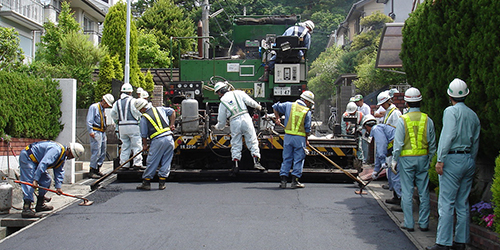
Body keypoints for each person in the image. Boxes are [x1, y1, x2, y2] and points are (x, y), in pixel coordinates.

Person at [426, 79, 480, 250]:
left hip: (452, 159)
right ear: (467, 94)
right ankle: (461, 241)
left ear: (449, 95)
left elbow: (447, 136)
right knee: (462, 203)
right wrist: (471, 159)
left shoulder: (450, 112)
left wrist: (440, 159)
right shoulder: (473, 115)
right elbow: (476, 142)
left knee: (446, 202)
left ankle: (443, 242)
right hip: (468, 160)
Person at [391, 87, 436, 232]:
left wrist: (394, 160)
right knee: (423, 191)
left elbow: (397, 144)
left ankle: (409, 223)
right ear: (420, 101)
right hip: (423, 159)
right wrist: (431, 159)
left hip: (406, 159)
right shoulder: (427, 119)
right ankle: (423, 223)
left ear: (406, 103)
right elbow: (432, 143)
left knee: (407, 191)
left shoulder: (403, 120)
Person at [20, 141, 84, 218]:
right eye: (72, 156)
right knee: (29, 182)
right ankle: (26, 208)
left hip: (37, 162)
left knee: (46, 180)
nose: (71, 158)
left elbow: (59, 171)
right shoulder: (56, 150)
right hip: (28, 157)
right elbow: (44, 163)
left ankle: (40, 204)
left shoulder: (62, 157)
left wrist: (58, 187)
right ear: (70, 152)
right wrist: (36, 180)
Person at [213, 81, 266, 173]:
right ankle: (257, 162)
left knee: (236, 143)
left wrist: (217, 127)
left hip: (234, 121)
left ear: (219, 92)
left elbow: (221, 121)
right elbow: (250, 102)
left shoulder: (223, 102)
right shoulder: (239, 93)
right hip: (246, 118)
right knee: (252, 140)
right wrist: (259, 107)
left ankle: (236, 166)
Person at [273, 90, 314, 189]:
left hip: (288, 137)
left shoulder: (289, 105)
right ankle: (295, 181)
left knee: (286, 158)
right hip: (299, 139)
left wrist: (277, 118)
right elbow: (307, 128)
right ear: (307, 101)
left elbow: (275, 106)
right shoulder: (306, 111)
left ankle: (283, 180)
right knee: (298, 159)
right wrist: (306, 139)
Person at [362, 114, 402, 209]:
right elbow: (378, 152)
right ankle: (396, 197)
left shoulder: (376, 129)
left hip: (398, 153)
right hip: (394, 152)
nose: (366, 131)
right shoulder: (380, 128)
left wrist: (383, 161)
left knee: (396, 176)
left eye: (365, 128)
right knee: (392, 176)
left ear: (367, 126)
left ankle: (402, 202)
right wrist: (376, 169)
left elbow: (382, 146)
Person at [134, 99, 176, 190]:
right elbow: (173, 111)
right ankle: (162, 183)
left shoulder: (144, 118)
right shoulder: (161, 109)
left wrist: (144, 145)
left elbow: (144, 134)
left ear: (142, 109)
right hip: (169, 138)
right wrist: (172, 125)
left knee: (152, 161)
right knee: (166, 160)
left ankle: (146, 182)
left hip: (158, 140)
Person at [111, 83, 143, 171]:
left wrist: (117, 121)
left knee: (125, 145)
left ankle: (124, 164)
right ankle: (137, 163)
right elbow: (138, 112)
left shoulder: (117, 103)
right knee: (136, 145)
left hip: (122, 126)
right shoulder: (133, 101)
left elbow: (113, 114)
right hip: (133, 125)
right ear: (130, 92)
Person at [87, 93, 114, 178]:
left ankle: (98, 168)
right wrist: (90, 131)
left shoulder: (102, 109)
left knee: (102, 151)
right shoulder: (94, 107)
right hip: (96, 131)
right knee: (96, 151)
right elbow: (89, 120)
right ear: (104, 101)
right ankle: (92, 170)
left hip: (102, 132)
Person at [353, 94, 371, 164]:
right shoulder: (357, 108)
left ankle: (365, 159)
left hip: (364, 127)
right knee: (358, 143)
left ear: (362, 100)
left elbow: (367, 118)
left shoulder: (366, 107)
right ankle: (359, 158)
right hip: (358, 127)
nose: (357, 103)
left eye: (358, 101)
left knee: (364, 143)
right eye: (356, 102)